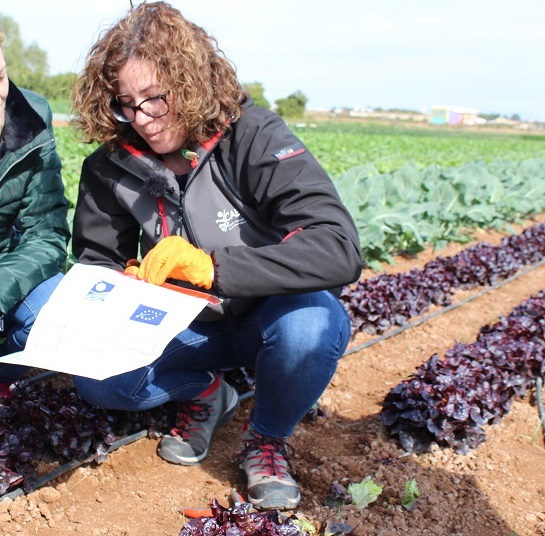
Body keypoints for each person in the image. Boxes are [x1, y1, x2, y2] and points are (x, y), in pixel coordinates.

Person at [70, 1, 362, 511]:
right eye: (127, 104)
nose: (143, 119)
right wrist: (121, 283)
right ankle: (207, 394)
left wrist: (214, 267)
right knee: (95, 377)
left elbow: (337, 246)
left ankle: (267, 439)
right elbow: (97, 260)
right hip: (180, 325)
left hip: (265, 320)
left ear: (190, 81)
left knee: (314, 322)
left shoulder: (253, 136)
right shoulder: (109, 167)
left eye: (156, 99)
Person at [0, 30, 70, 389]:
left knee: (53, 312)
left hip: (4, 262)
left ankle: (2, 377)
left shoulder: (30, 119)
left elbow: (46, 232)